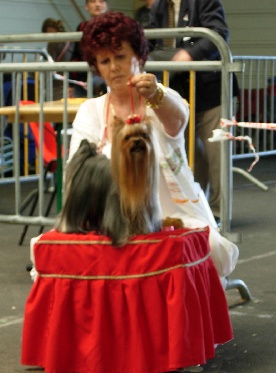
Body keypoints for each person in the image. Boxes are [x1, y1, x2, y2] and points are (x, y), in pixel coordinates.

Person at [68, 11, 238, 286]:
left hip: (173, 214)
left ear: (139, 56)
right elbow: (76, 171)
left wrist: (155, 94)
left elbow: (177, 120)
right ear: (96, 67)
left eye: (120, 56)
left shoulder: (163, 99)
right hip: (110, 218)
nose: (113, 67)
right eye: (104, 61)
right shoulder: (90, 111)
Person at [148, 0, 239, 223]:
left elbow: (218, 33)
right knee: (188, 158)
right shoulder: (159, 7)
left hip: (212, 92)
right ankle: (198, 209)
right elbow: (148, 40)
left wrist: (188, 55)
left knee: (217, 156)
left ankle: (219, 215)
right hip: (180, 93)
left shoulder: (204, 1)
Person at [70, 0, 108, 97]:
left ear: (106, 5)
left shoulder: (114, 27)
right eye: (93, 1)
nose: (97, 4)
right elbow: (75, 55)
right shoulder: (82, 27)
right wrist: (70, 84)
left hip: (106, 78)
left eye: (101, 1)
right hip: (82, 80)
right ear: (86, 6)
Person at [41, 18, 74, 100]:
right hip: (71, 82)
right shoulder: (71, 39)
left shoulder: (53, 41)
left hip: (57, 82)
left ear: (48, 30)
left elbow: (50, 62)